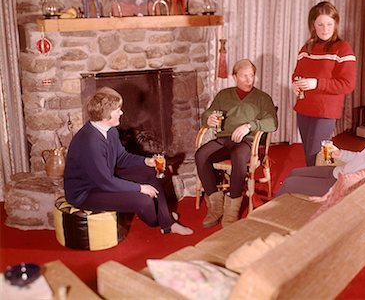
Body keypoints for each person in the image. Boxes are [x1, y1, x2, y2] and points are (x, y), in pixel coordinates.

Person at [63, 87, 193, 235]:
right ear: (106, 116)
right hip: (86, 193)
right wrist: (140, 188)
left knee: (151, 172)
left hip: (104, 180)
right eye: (118, 110)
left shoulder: (110, 129)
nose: (122, 112)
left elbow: (121, 158)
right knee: (144, 201)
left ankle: (167, 224)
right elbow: (106, 182)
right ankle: (159, 219)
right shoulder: (90, 142)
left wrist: (146, 161)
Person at [195, 59, 278, 228]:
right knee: (201, 154)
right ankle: (216, 206)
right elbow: (208, 113)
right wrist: (208, 119)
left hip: (247, 142)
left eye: (252, 75)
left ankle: (232, 209)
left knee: (239, 156)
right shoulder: (224, 95)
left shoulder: (262, 98)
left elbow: (272, 122)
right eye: (244, 76)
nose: (249, 80)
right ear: (234, 77)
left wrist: (250, 126)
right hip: (223, 139)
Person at [276, 101, 365, 197]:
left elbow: (361, 179)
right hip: (342, 172)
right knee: (294, 172)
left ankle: (265, 220)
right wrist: (340, 153)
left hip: (344, 186)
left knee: (289, 183)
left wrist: (334, 189)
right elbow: (363, 158)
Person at [292, 1, 356, 167]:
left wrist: (317, 83)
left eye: (329, 24)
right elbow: (297, 74)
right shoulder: (307, 47)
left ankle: (320, 189)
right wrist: (295, 83)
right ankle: (315, 188)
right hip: (304, 108)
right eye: (320, 24)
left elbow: (348, 84)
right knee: (309, 154)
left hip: (325, 111)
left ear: (336, 24)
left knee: (317, 154)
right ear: (313, 25)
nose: (325, 29)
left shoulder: (343, 48)